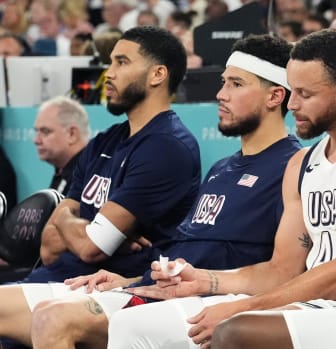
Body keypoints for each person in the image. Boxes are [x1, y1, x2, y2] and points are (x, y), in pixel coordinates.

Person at [104, 28, 336, 349]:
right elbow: (282, 271)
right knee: (132, 324)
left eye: (306, 95)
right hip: (315, 303)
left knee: (237, 330)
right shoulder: (303, 164)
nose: (292, 105)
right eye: (292, 92)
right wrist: (206, 280)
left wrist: (243, 307)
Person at [0, 34, 301, 349]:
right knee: (48, 314)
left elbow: (283, 270)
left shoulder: (290, 167)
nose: (221, 94)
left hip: (209, 301)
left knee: (54, 318)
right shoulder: (220, 169)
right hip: (155, 287)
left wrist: (207, 282)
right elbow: (185, 256)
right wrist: (131, 280)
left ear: (275, 97)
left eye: (236, 84)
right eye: (223, 82)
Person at [21, 25, 201, 284]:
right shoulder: (104, 141)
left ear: (157, 74)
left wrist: (65, 220)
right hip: (59, 278)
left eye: (122, 63)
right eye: (111, 63)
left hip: (107, 287)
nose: (109, 74)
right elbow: (48, 248)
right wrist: (72, 222)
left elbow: (90, 249)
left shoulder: (167, 146)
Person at [33, 96, 90, 196]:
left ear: (72, 134)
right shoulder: (63, 172)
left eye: (45, 131)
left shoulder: (89, 178)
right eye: (37, 132)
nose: (36, 140)